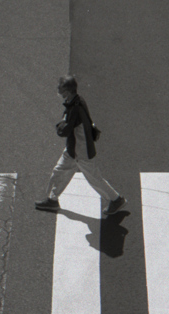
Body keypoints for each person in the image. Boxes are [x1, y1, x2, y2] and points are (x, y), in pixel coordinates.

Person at [35, 75, 126, 215]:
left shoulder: (74, 109)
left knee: (94, 178)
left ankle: (116, 199)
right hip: (74, 148)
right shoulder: (77, 100)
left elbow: (64, 131)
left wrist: (59, 125)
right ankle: (52, 200)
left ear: (68, 91)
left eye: (60, 88)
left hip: (80, 152)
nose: (58, 90)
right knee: (59, 171)